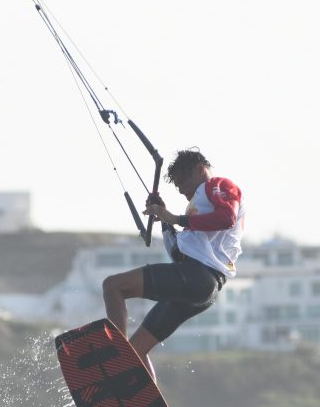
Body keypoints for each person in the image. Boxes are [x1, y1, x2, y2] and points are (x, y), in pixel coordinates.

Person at [101, 149, 244, 379]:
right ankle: (141, 398)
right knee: (136, 351)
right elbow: (179, 254)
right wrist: (164, 221)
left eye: (182, 182)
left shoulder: (218, 185)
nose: (180, 189)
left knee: (113, 286)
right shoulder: (198, 211)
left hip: (200, 276)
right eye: (176, 185)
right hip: (197, 286)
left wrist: (176, 219)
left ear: (200, 170)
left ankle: (116, 358)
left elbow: (227, 218)